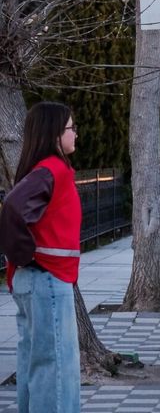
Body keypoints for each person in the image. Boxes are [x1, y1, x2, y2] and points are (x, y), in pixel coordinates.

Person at [0, 102, 82, 413]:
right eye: (71, 128)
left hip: (37, 279)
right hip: (47, 279)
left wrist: (24, 258)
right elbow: (12, 208)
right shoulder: (52, 170)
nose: (75, 134)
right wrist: (26, 255)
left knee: (36, 366)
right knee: (56, 368)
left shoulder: (43, 171)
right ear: (54, 133)